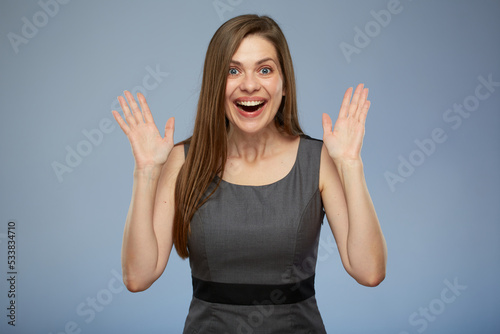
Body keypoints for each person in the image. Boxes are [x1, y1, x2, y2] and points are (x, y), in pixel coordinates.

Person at [112, 14, 387, 333]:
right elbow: (137, 277)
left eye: (265, 69)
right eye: (233, 70)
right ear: (216, 84)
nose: (250, 85)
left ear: (284, 85)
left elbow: (369, 272)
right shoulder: (184, 161)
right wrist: (145, 173)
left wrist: (351, 164)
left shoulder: (318, 160)